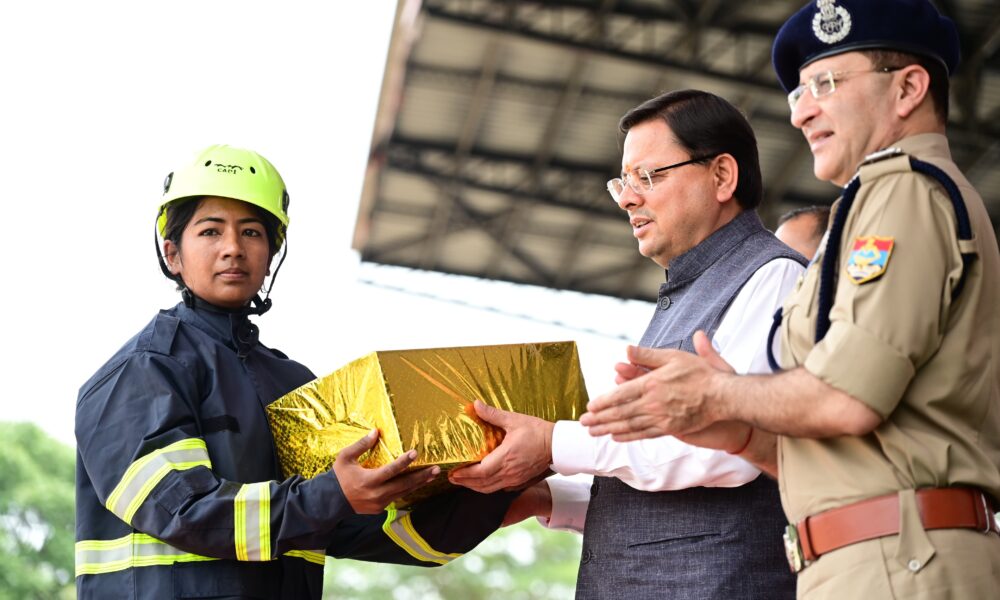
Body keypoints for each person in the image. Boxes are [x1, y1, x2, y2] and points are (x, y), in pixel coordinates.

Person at [581, 1, 1000, 598]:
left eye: (825, 84)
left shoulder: (904, 191)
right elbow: (847, 448)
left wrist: (714, 392)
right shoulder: (874, 202)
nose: (802, 111)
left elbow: (848, 397)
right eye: (799, 93)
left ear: (908, 88)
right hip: (866, 554)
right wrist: (738, 431)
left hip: (902, 555)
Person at [75, 145, 514, 599]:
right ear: (173, 254)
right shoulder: (141, 371)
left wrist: (500, 486)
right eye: (210, 231)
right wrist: (332, 495)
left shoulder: (295, 385)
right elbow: (182, 510)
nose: (233, 248)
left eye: (251, 232)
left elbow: (366, 525)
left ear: (271, 255)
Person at [451, 90, 804, 599]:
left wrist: (555, 443)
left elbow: (732, 453)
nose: (627, 199)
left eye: (648, 176)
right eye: (623, 181)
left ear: (722, 176)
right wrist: (550, 497)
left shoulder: (774, 277)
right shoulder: (693, 289)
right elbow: (669, 481)